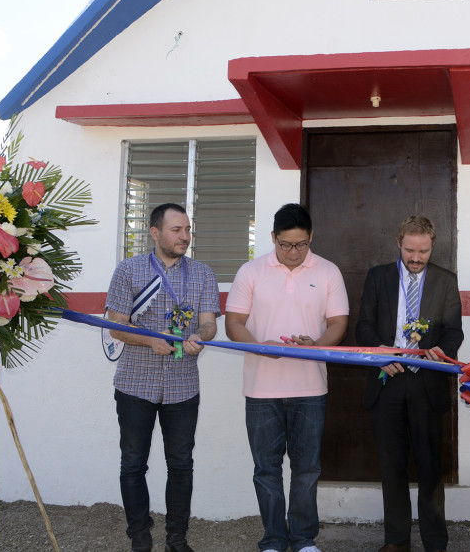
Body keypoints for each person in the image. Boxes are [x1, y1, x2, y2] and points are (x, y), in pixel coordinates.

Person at [225, 203, 349, 552]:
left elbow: (338, 323)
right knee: (266, 469)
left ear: (311, 238)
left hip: (310, 387)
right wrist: (260, 347)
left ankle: (304, 538)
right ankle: (275, 539)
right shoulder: (250, 272)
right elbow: (233, 322)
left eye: (301, 244)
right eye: (285, 245)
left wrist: (316, 346)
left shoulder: (327, 271)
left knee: (307, 468)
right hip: (261, 388)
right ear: (272, 238)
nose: (293, 252)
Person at [106, 203, 220, 552]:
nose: (185, 236)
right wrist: (149, 340)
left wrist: (201, 336)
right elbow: (116, 326)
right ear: (155, 232)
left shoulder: (202, 273)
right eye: (176, 230)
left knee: (181, 465)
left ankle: (177, 540)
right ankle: (140, 538)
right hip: (134, 385)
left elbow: (209, 322)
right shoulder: (128, 270)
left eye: (187, 229)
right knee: (133, 465)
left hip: (183, 387)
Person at [355, 215, 464, 552]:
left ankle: (435, 542)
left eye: (423, 251)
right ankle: (396, 541)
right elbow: (364, 327)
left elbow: (454, 331)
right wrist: (378, 355)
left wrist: (441, 352)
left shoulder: (446, 281)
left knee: (431, 468)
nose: (416, 257)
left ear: (432, 246)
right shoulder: (378, 277)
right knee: (392, 466)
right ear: (398, 243)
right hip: (387, 381)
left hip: (426, 383)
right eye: (410, 250)